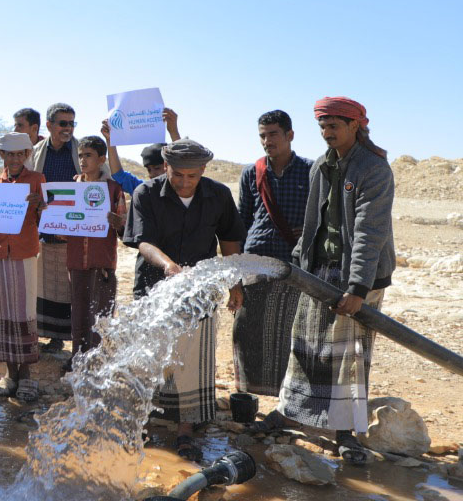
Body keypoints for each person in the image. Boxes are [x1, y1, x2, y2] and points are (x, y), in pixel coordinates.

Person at [276, 97, 395, 466]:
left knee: (350, 358)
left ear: (355, 126)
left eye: (334, 127)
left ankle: (346, 434)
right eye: (323, 127)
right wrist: (298, 262)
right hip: (320, 269)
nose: (327, 134)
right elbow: (313, 222)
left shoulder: (373, 169)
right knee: (308, 345)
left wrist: (357, 288)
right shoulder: (321, 167)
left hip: (357, 276)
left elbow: (368, 232)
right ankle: (294, 414)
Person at [123, 138, 245, 461]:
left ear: (203, 170)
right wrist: (168, 266)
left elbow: (230, 241)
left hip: (199, 292)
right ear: (165, 167)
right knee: (150, 354)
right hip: (154, 287)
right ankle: (144, 421)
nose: (185, 182)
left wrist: (235, 283)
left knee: (192, 358)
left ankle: (185, 428)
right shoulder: (146, 194)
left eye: (192, 176)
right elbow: (143, 243)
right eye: (178, 175)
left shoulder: (218, 195)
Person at [233, 110, 310, 406]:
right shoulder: (252, 172)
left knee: (290, 331)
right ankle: (247, 398)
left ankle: (287, 400)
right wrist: (235, 269)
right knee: (247, 327)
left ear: (289, 135)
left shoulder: (310, 170)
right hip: (256, 257)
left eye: (273, 134)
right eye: (263, 136)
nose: (267, 141)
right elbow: (242, 218)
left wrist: (308, 231)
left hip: (294, 262)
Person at [0, 132, 46, 402]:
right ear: (2, 156)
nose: (14, 159)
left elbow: (46, 216)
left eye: (19, 154)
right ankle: (10, 374)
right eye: (9, 154)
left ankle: (26, 375)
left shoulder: (36, 181)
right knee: (3, 311)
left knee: (23, 313)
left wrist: (39, 207)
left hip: (24, 254)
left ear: (26, 155)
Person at [64, 136, 126, 373]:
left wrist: (118, 222)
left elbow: (123, 229)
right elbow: (61, 222)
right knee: (78, 311)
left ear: (101, 159)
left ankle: (98, 362)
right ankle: (77, 358)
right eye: (80, 155)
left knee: (100, 314)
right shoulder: (70, 187)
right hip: (76, 260)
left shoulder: (113, 189)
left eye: (88, 155)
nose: (83, 160)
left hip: (102, 262)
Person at [27, 102, 79, 350]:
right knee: (46, 284)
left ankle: (74, 339)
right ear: (49, 125)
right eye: (63, 123)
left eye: (71, 123)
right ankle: (52, 337)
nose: (68, 128)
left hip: (74, 230)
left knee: (71, 286)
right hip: (44, 228)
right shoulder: (35, 152)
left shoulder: (81, 150)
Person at [101, 108, 181, 195]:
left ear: (168, 166)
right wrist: (110, 140)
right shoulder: (146, 190)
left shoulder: (184, 190)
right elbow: (119, 176)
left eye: (157, 168)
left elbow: (183, 164)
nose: (152, 174)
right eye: (149, 170)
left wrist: (173, 131)